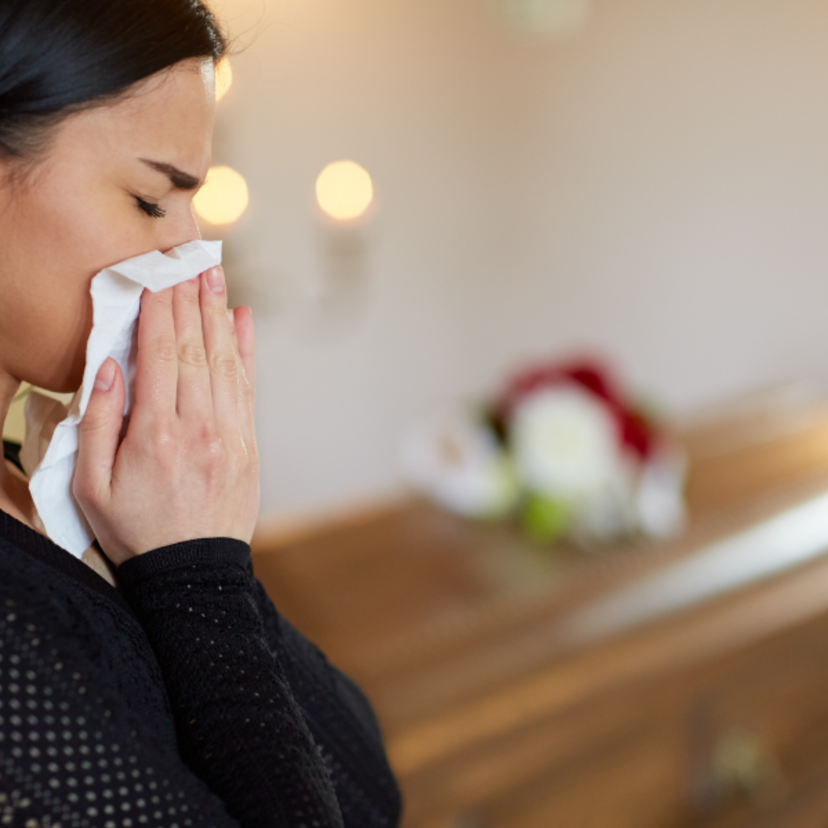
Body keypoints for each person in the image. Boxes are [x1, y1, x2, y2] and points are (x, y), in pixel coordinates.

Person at [0, 1, 402, 825]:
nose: (190, 257)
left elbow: (366, 792)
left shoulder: (52, 486)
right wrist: (195, 569)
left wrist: (192, 555)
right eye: (152, 201)